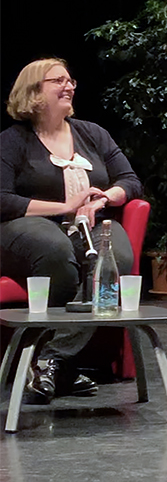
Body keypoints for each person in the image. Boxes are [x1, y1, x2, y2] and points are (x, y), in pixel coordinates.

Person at [1, 58, 142, 404]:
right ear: (34, 91)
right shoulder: (13, 140)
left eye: (70, 80)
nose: (69, 86)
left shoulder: (93, 133)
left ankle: (53, 360)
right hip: (24, 228)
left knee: (115, 259)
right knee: (56, 251)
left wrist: (103, 199)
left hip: (88, 225)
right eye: (58, 81)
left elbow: (130, 181)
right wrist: (64, 207)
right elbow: (3, 199)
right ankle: (53, 366)